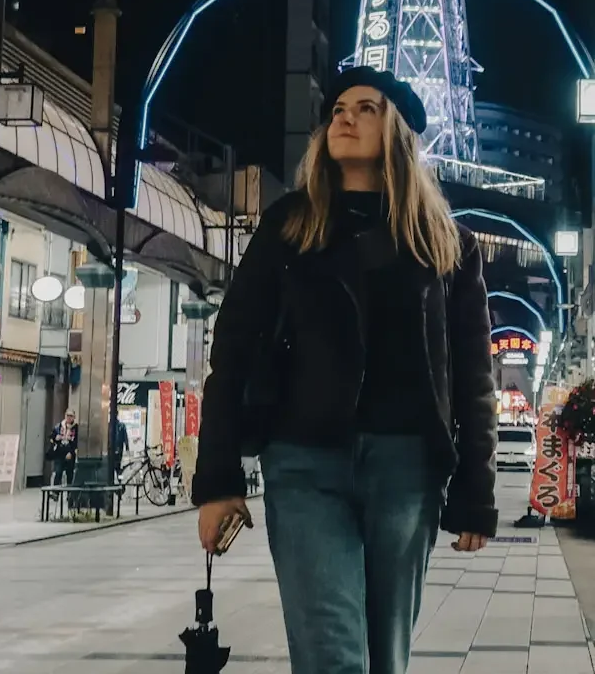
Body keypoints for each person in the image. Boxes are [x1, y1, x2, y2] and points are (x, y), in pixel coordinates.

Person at [193, 68, 497, 674]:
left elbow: (472, 378)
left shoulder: (448, 245)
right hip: (304, 465)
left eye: (366, 108)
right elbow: (232, 351)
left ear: (400, 134)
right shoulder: (288, 228)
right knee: (332, 656)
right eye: (337, 108)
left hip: (406, 471)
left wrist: (476, 491)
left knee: (386, 659)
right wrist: (218, 478)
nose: (345, 117)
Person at [48, 410, 78, 486]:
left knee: (69, 474)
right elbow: (52, 437)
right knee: (58, 472)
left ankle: (70, 494)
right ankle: (55, 492)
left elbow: (77, 442)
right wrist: (55, 439)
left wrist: (71, 452)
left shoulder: (76, 428)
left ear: (74, 417)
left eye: (71, 416)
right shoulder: (59, 426)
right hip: (59, 452)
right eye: (67, 415)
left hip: (70, 453)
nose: (69, 417)